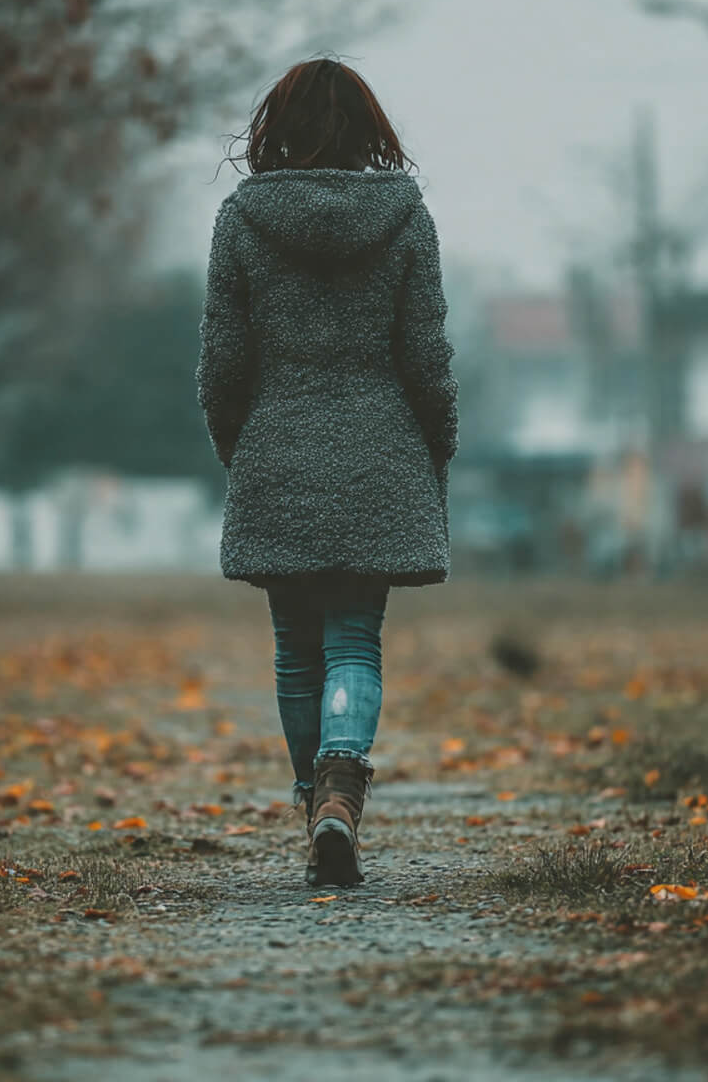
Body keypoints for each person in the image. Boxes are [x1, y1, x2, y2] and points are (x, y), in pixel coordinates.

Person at [195, 56, 458, 887]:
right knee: (354, 639)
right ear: (369, 130)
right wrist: (434, 446)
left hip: (278, 449)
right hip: (380, 454)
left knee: (295, 652)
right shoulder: (407, 221)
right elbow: (427, 360)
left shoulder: (241, 221)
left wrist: (241, 448)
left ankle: (316, 798)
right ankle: (341, 791)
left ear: (277, 127)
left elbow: (222, 365)